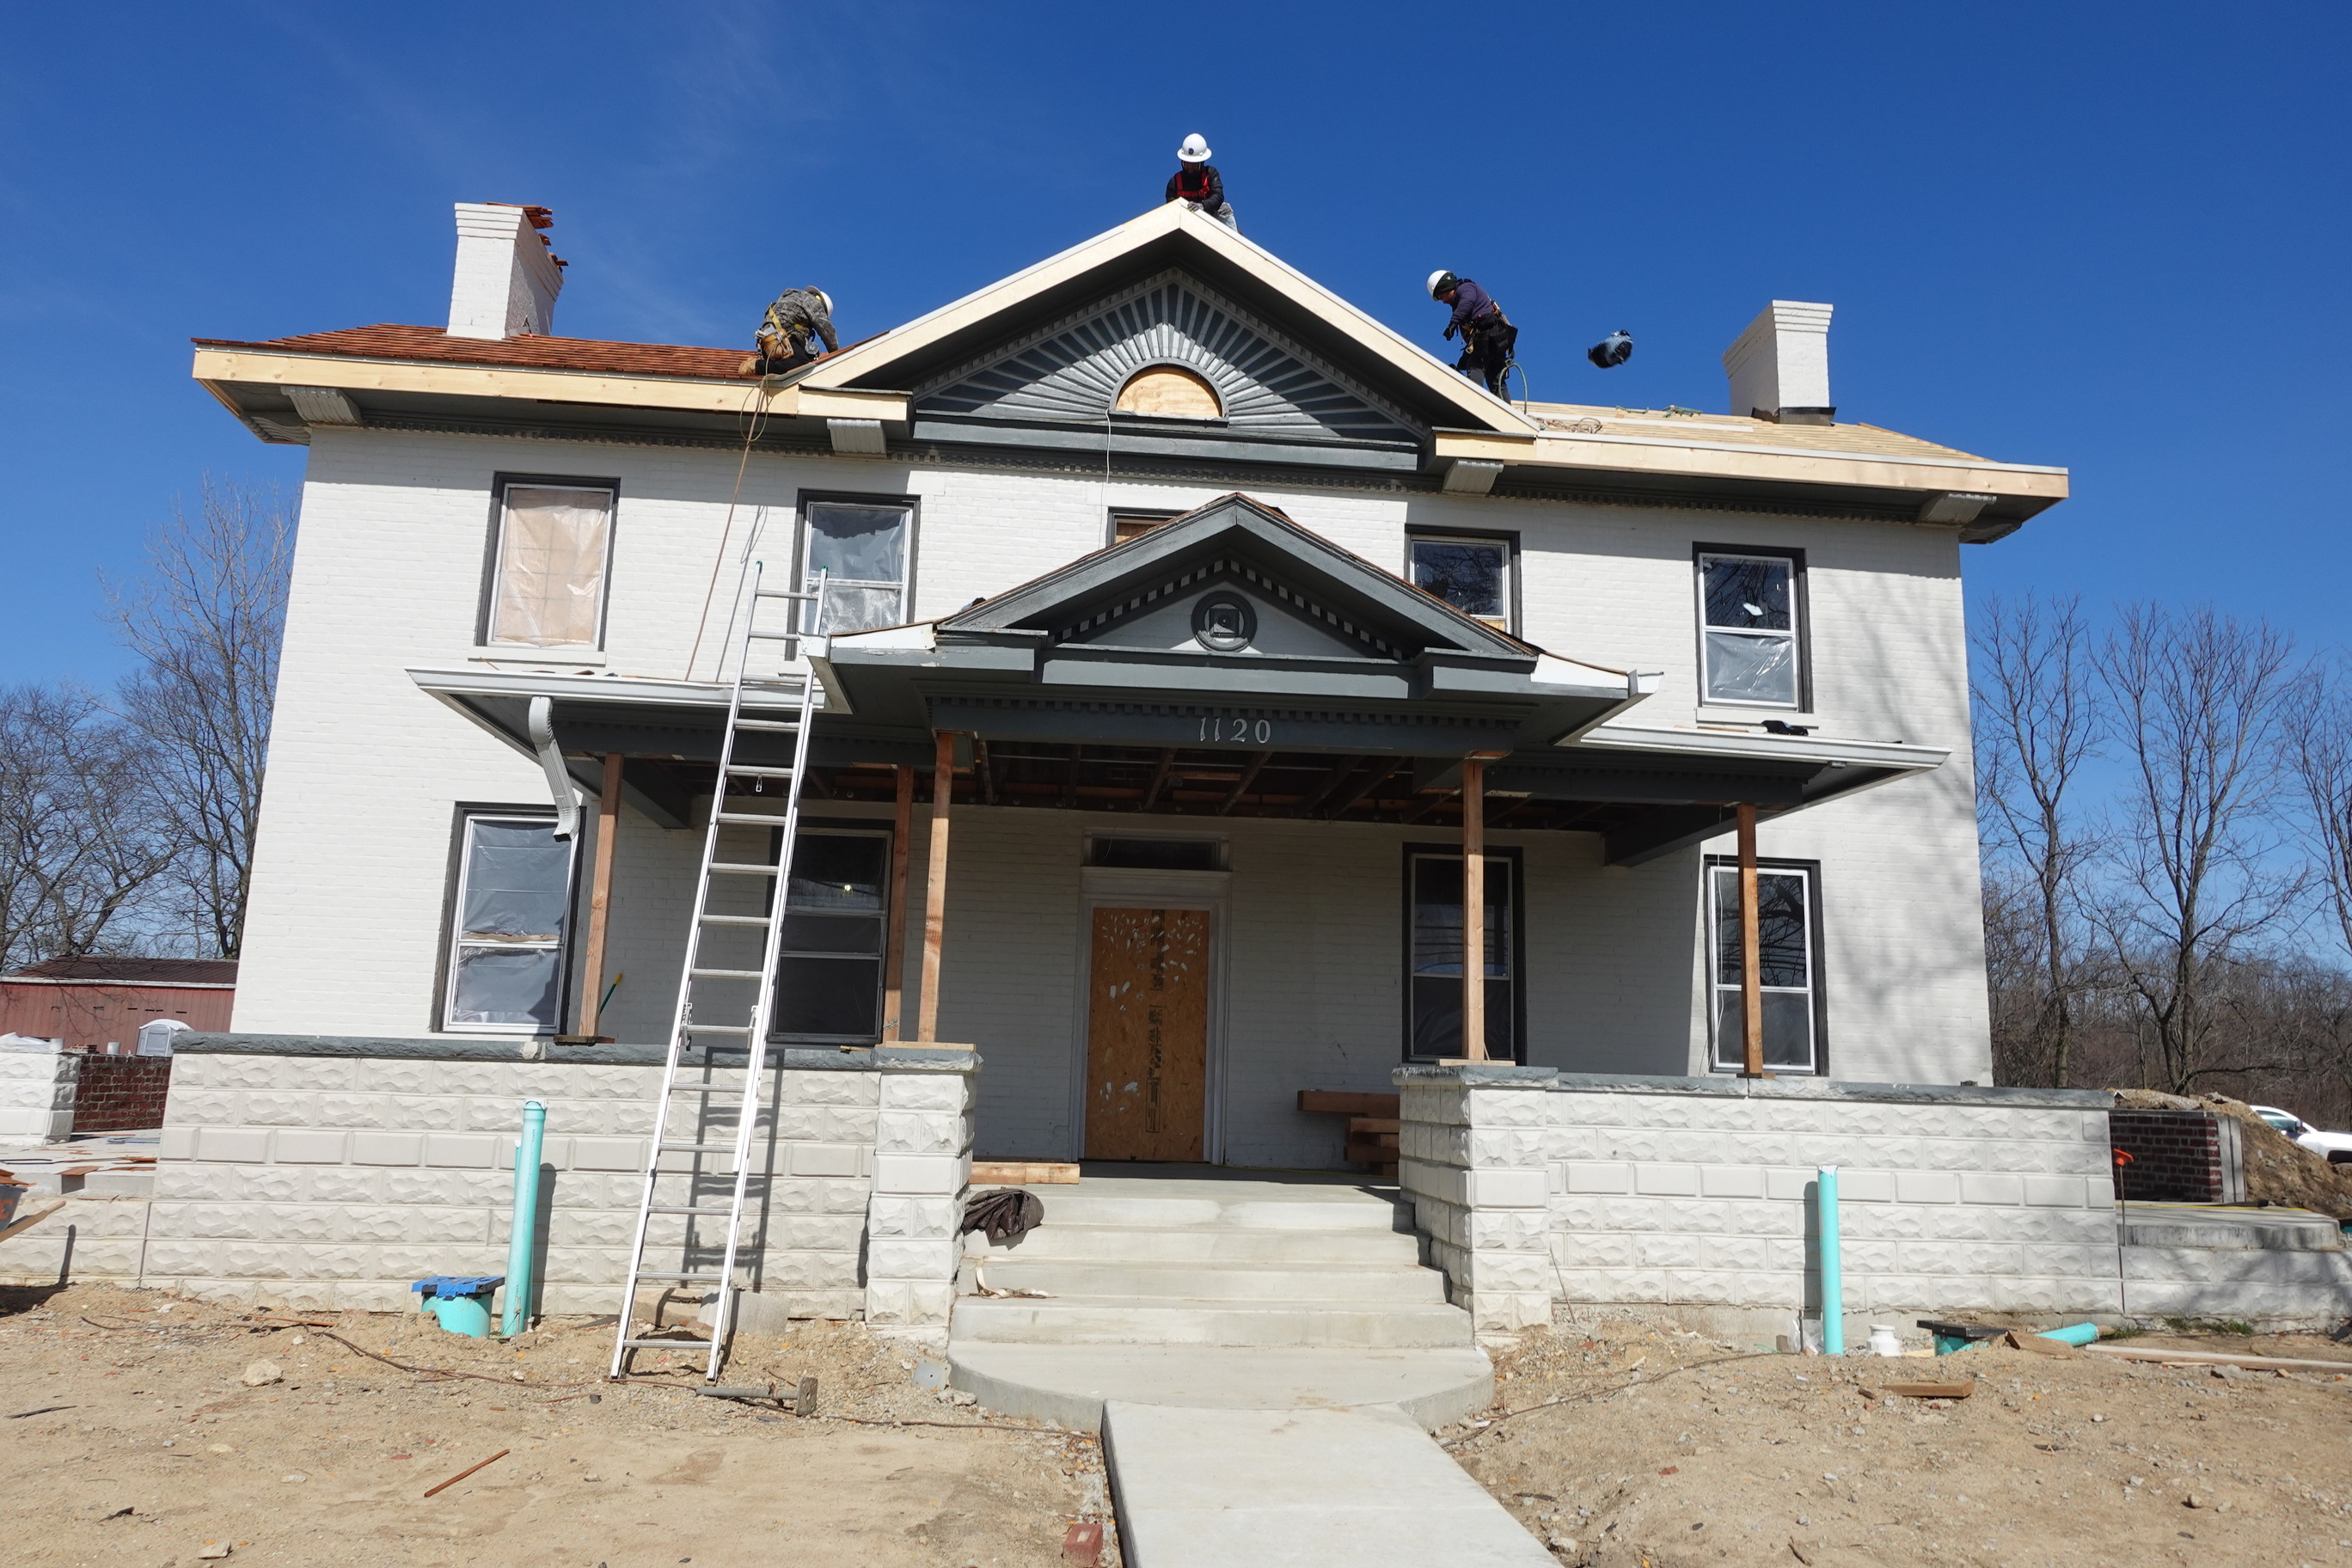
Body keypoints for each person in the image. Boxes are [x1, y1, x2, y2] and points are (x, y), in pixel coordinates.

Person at [1428, 270, 1518, 397]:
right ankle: (1505, 411)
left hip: (1487, 338)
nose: (1443, 301)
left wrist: (1453, 323)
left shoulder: (1466, 289)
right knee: (1494, 378)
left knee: (1475, 366)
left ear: (1445, 287)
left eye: (1441, 296)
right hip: (1492, 340)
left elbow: (1467, 303)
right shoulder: (1461, 297)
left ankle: (1474, 399)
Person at [743, 286, 838, 376]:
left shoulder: (791, 297)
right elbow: (827, 330)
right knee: (803, 364)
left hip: (768, 341)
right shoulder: (813, 302)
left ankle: (762, 369)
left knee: (785, 370)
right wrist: (836, 355)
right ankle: (756, 366)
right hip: (784, 339)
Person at [1165, 134, 1238, 230]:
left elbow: (1218, 196)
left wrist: (1202, 206)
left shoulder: (1211, 174)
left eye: (1194, 164)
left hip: (1210, 214)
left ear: (1201, 163)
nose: (1190, 168)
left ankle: (1233, 240)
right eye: (1187, 163)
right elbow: (1170, 209)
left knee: (1225, 209)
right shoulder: (1174, 182)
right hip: (1185, 220)